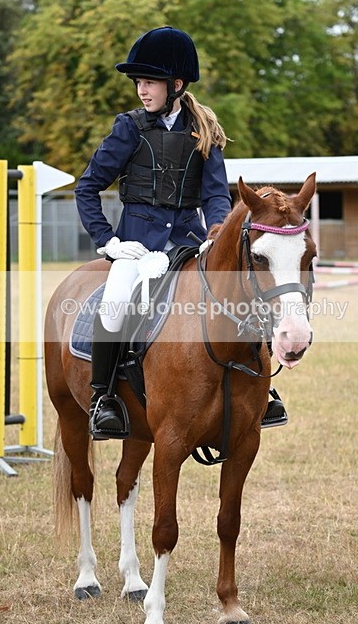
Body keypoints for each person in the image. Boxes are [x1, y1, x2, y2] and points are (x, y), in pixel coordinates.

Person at [75, 25, 287, 440]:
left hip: (190, 241)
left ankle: (264, 390)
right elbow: (88, 186)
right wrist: (109, 241)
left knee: (241, 293)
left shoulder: (204, 130)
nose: (141, 90)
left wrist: (215, 230)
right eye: (138, 82)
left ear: (175, 84)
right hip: (136, 246)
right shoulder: (129, 128)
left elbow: (215, 195)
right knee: (117, 301)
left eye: (149, 81)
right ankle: (105, 400)